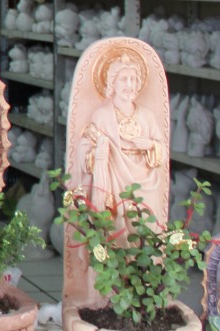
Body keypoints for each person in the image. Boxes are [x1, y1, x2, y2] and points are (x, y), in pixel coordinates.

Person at [72, 46, 168, 220]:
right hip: (114, 181)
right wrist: (96, 154)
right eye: (123, 79)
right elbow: (84, 147)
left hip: (146, 181)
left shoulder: (147, 116)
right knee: (116, 225)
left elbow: (162, 149)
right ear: (112, 83)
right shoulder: (102, 116)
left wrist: (151, 146)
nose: (129, 85)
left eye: (133, 79)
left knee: (148, 223)